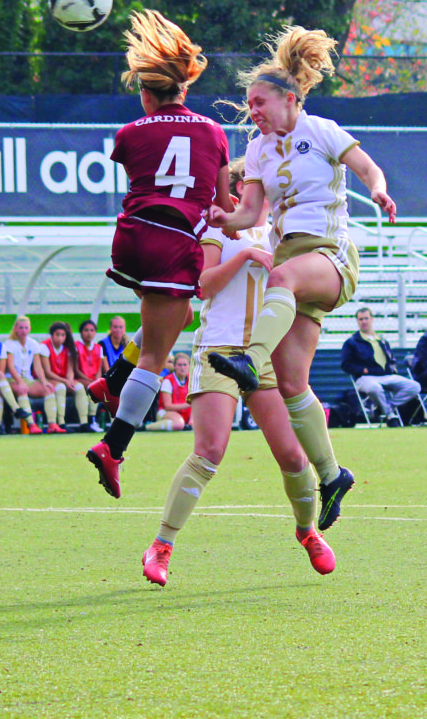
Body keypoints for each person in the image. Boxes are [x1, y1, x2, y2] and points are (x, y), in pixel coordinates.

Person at [206, 25, 397, 530]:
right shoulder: (261, 150)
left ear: (290, 99)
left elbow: (366, 167)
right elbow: (250, 214)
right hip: (292, 258)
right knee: (291, 384)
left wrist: (378, 191)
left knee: (282, 278)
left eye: (259, 102)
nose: (253, 111)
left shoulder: (322, 130)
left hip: (329, 256)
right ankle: (333, 475)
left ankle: (249, 358)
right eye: (249, 104)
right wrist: (225, 220)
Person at [142, 158, 335, 586]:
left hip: (264, 355)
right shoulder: (218, 227)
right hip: (219, 349)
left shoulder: (283, 231)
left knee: (292, 455)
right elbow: (203, 285)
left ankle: (308, 532)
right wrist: (246, 253)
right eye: (255, 186)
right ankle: (161, 545)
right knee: (210, 450)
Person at [87, 9, 232, 499]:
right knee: (157, 354)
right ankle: (113, 446)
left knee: (176, 316)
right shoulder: (214, 134)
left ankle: (110, 382)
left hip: (132, 236)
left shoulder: (129, 133)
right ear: (185, 89)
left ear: (146, 94)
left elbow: (144, 167)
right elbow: (225, 204)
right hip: (174, 240)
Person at [341, 307, 421, 426]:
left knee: (415, 386)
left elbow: (391, 359)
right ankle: (390, 416)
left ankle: (381, 409)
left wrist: (392, 369)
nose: (364, 321)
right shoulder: (352, 342)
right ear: (357, 322)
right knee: (374, 388)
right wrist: (363, 370)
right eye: (361, 319)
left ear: (372, 319)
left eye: (366, 318)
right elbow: (345, 364)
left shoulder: (382, 341)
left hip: (387, 375)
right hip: (366, 378)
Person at [2, 315, 56, 435]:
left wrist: (44, 381)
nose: (23, 331)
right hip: (13, 379)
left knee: (49, 390)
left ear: (30, 329)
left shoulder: (33, 343)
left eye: (26, 328)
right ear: (15, 329)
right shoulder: (9, 344)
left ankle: (53, 424)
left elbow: (38, 366)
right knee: (22, 391)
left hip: (29, 379)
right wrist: (20, 382)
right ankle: (31, 424)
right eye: (21, 328)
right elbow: (10, 367)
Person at [40, 321, 92, 432]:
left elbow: (70, 369)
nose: (60, 338)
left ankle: (84, 422)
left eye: (63, 335)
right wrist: (65, 381)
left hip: (63, 379)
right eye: (57, 335)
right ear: (52, 335)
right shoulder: (44, 346)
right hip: (51, 379)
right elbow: (47, 372)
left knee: (79, 388)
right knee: (60, 388)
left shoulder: (68, 348)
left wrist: (70, 380)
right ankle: (61, 422)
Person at [146, 352, 192, 432]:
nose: (182, 368)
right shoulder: (168, 380)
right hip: (166, 412)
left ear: (189, 366)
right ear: (174, 366)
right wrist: (188, 404)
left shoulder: (192, 381)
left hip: (185, 413)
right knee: (178, 424)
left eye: (185, 365)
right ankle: (147, 427)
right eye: (179, 365)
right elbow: (168, 406)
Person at [74, 319, 104, 432]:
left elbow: (99, 369)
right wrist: (89, 380)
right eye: (86, 330)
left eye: (92, 330)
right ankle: (85, 422)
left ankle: (92, 420)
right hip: (80, 379)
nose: (89, 333)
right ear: (81, 332)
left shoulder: (98, 348)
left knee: (97, 387)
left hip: (91, 380)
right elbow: (76, 369)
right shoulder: (76, 346)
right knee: (87, 388)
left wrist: (97, 380)